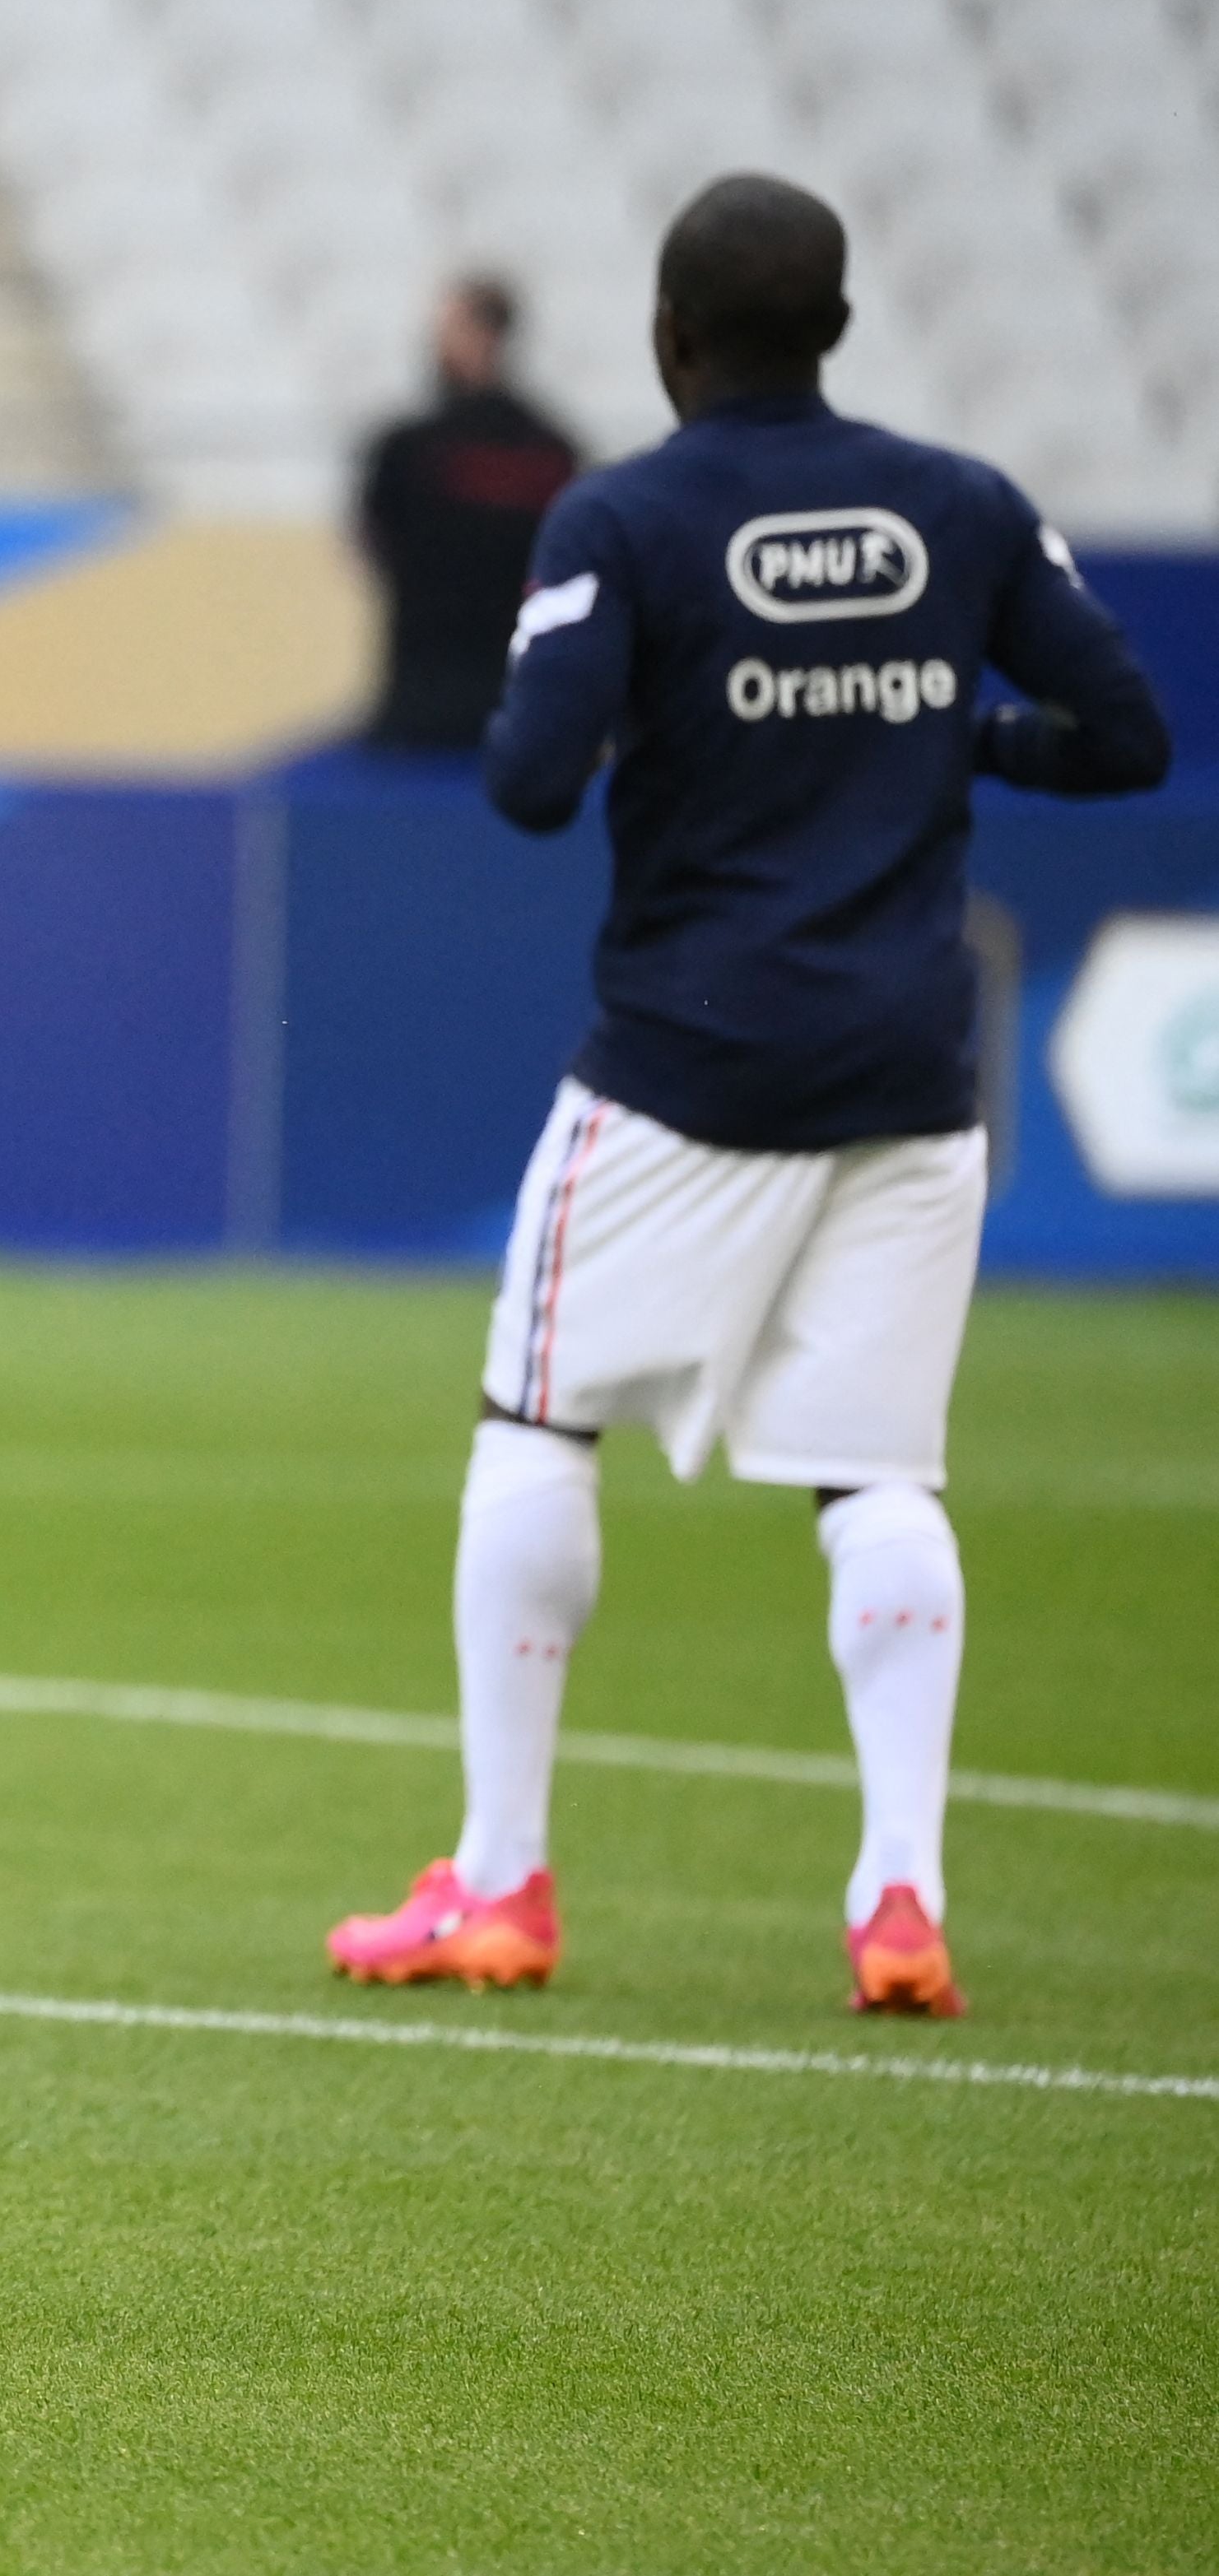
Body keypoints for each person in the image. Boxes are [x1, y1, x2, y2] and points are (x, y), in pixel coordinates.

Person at [326, 175, 1170, 2019]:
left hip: (686, 1063)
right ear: (841, 330)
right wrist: (962, 731)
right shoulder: (961, 505)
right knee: (876, 1470)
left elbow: (531, 784)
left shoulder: (624, 516)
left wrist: (643, 709)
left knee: (535, 1423)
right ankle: (899, 1900)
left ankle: (497, 1878)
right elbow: (1128, 735)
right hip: (904, 1076)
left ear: (665, 340)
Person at [354, 277, 581, 751]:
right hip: (479, 695)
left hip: (442, 700)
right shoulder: (550, 449)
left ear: (485, 334)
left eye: (449, 327)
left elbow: (374, 543)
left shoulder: (410, 450)